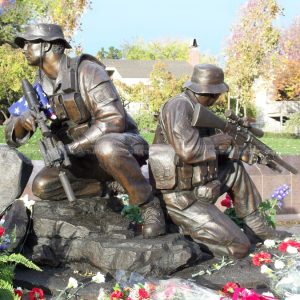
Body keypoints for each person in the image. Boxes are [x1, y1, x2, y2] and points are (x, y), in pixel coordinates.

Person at [5, 23, 165, 238]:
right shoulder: (39, 88)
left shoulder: (88, 71)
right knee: (43, 186)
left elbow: (113, 122)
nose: (23, 49)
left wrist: (70, 148)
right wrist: (22, 122)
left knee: (107, 147)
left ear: (46, 46)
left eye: (28, 43)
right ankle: (110, 186)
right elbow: (13, 135)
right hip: (82, 157)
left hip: (121, 146)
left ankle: (149, 206)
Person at [149, 64, 289, 258]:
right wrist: (219, 140)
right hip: (178, 197)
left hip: (199, 184)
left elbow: (214, 150)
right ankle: (188, 243)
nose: (218, 98)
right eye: (217, 94)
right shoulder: (178, 106)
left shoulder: (199, 108)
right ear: (209, 93)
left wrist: (241, 153)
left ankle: (256, 226)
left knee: (235, 169)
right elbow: (188, 150)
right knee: (239, 247)